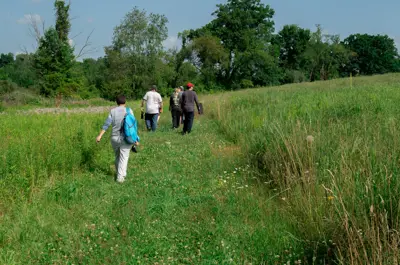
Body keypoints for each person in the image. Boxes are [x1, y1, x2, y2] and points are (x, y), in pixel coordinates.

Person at [96, 95, 139, 183]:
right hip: (126, 138)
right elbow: (132, 126)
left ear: (116, 102)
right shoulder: (129, 110)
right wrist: (136, 139)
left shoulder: (112, 111)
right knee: (124, 157)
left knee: (117, 156)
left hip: (114, 138)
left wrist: (100, 136)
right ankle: (120, 178)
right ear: (125, 102)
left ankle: (120, 173)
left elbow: (106, 124)